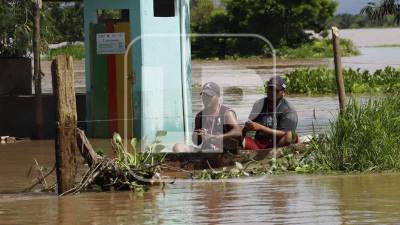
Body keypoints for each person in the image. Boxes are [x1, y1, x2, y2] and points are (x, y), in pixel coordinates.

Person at [173, 82, 242, 152]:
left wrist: (219, 137)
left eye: (209, 96)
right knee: (178, 147)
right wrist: (197, 136)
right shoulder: (200, 116)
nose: (206, 98)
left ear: (218, 96)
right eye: (204, 95)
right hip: (206, 151)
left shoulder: (226, 113)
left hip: (224, 151)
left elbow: (238, 131)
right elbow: (196, 143)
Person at [242, 76, 298, 150]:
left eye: (276, 90)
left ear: (284, 92)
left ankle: (273, 155)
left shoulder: (289, 110)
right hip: (258, 143)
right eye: (270, 89)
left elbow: (285, 133)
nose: (271, 92)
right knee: (234, 135)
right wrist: (246, 128)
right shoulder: (259, 104)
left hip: (278, 143)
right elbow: (250, 127)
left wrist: (261, 128)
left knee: (290, 136)